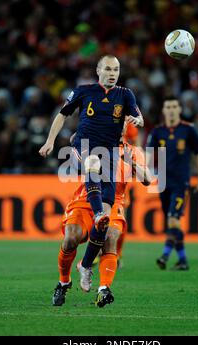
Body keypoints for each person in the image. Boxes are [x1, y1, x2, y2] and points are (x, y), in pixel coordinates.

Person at [39, 55, 144, 286]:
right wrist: (50, 141)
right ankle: (96, 213)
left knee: (104, 223)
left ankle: (86, 265)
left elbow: (139, 116)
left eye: (116, 69)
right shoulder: (83, 91)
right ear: (98, 71)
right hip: (82, 147)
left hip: (111, 155)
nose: (112, 73)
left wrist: (138, 121)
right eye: (107, 69)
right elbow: (62, 114)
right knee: (91, 165)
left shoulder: (125, 94)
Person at [53, 142, 152, 307]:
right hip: (86, 199)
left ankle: (104, 289)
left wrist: (130, 161)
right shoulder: (94, 140)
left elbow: (147, 179)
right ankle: (63, 283)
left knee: (111, 236)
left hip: (114, 202)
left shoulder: (133, 151)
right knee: (71, 238)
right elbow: (75, 161)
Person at [146, 96, 198, 270]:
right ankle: (183, 260)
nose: (171, 109)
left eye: (174, 106)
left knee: (173, 219)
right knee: (173, 222)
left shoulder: (188, 130)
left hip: (181, 183)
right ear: (164, 111)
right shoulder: (157, 132)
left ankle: (165, 255)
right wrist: (145, 172)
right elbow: (149, 155)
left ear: (179, 109)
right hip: (163, 183)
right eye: (168, 106)